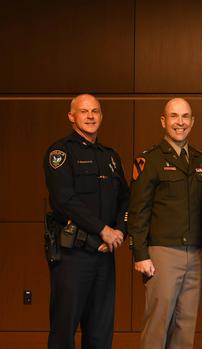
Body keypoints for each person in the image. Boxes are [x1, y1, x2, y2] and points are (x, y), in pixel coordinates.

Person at [43, 94, 129, 349]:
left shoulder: (110, 156)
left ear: (101, 116)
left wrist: (119, 232)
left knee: (101, 332)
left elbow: (126, 200)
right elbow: (64, 200)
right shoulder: (61, 152)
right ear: (72, 117)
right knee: (64, 330)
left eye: (95, 111)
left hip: (105, 255)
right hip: (73, 256)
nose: (90, 116)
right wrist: (102, 231)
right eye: (84, 111)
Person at [128, 98, 202, 349]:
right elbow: (138, 210)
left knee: (186, 325)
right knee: (158, 323)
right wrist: (139, 254)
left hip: (195, 254)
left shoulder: (201, 161)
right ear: (163, 121)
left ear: (192, 121)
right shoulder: (149, 160)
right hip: (162, 252)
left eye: (185, 117)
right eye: (174, 116)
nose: (180, 122)